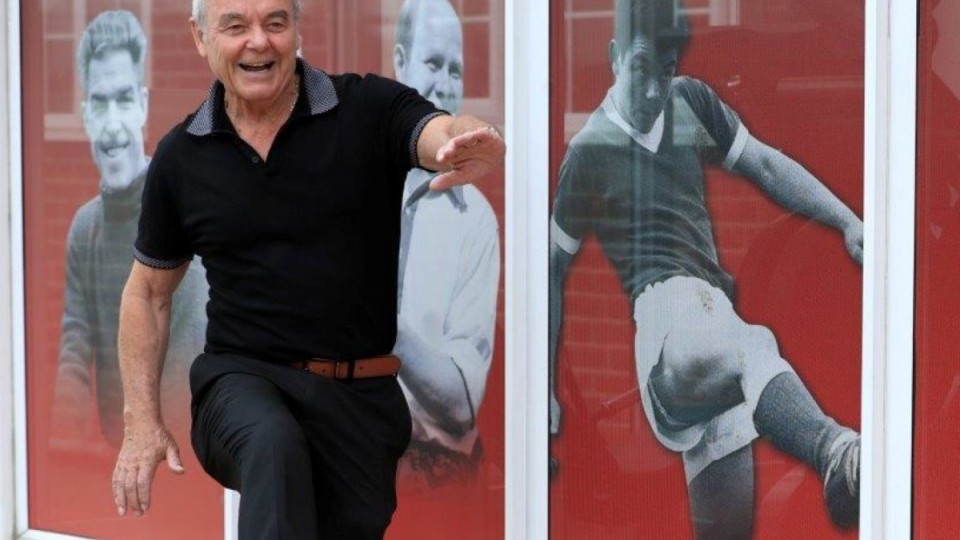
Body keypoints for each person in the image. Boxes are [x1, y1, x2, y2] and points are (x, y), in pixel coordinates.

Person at [110, 0, 505, 538]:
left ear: (297, 28)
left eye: (275, 22)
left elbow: (437, 130)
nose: (259, 41)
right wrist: (140, 419)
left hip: (357, 399)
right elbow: (147, 294)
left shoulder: (366, 109)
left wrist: (468, 140)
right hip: (239, 383)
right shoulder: (182, 157)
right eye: (235, 26)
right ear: (200, 37)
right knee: (271, 442)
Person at [548, 0, 862, 537]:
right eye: (641, 69)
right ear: (615, 56)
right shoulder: (589, 152)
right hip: (668, 325)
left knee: (727, 533)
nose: (654, 91)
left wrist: (846, 220)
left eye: (665, 71)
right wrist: (546, 385)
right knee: (753, 347)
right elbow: (551, 272)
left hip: (717, 317)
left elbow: (763, 164)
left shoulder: (689, 102)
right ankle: (836, 450)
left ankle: (832, 451)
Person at [51, 10, 207, 448]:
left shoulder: (178, 206)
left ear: (142, 105)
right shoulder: (85, 229)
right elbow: (74, 352)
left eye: (123, 100)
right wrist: (62, 447)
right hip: (114, 455)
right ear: (86, 115)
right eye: (100, 103)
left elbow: (185, 366)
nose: (112, 123)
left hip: (176, 453)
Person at [392, 0, 500, 486]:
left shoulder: (473, 220)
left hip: (434, 471)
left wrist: (380, 325)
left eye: (455, 71)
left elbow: (461, 405)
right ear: (400, 63)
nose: (445, 85)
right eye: (433, 64)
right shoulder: (346, 186)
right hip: (341, 448)